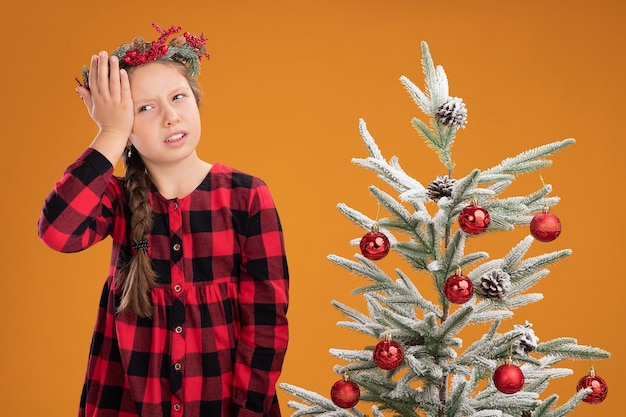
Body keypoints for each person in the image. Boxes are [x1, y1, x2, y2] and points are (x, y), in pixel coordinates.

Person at [37, 23, 289, 417]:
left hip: (225, 404)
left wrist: (250, 410)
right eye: (145, 108)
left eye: (178, 97)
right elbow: (57, 231)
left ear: (196, 100)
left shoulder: (247, 196)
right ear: (127, 127)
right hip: (125, 400)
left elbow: (266, 323)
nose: (171, 117)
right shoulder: (117, 198)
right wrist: (110, 130)